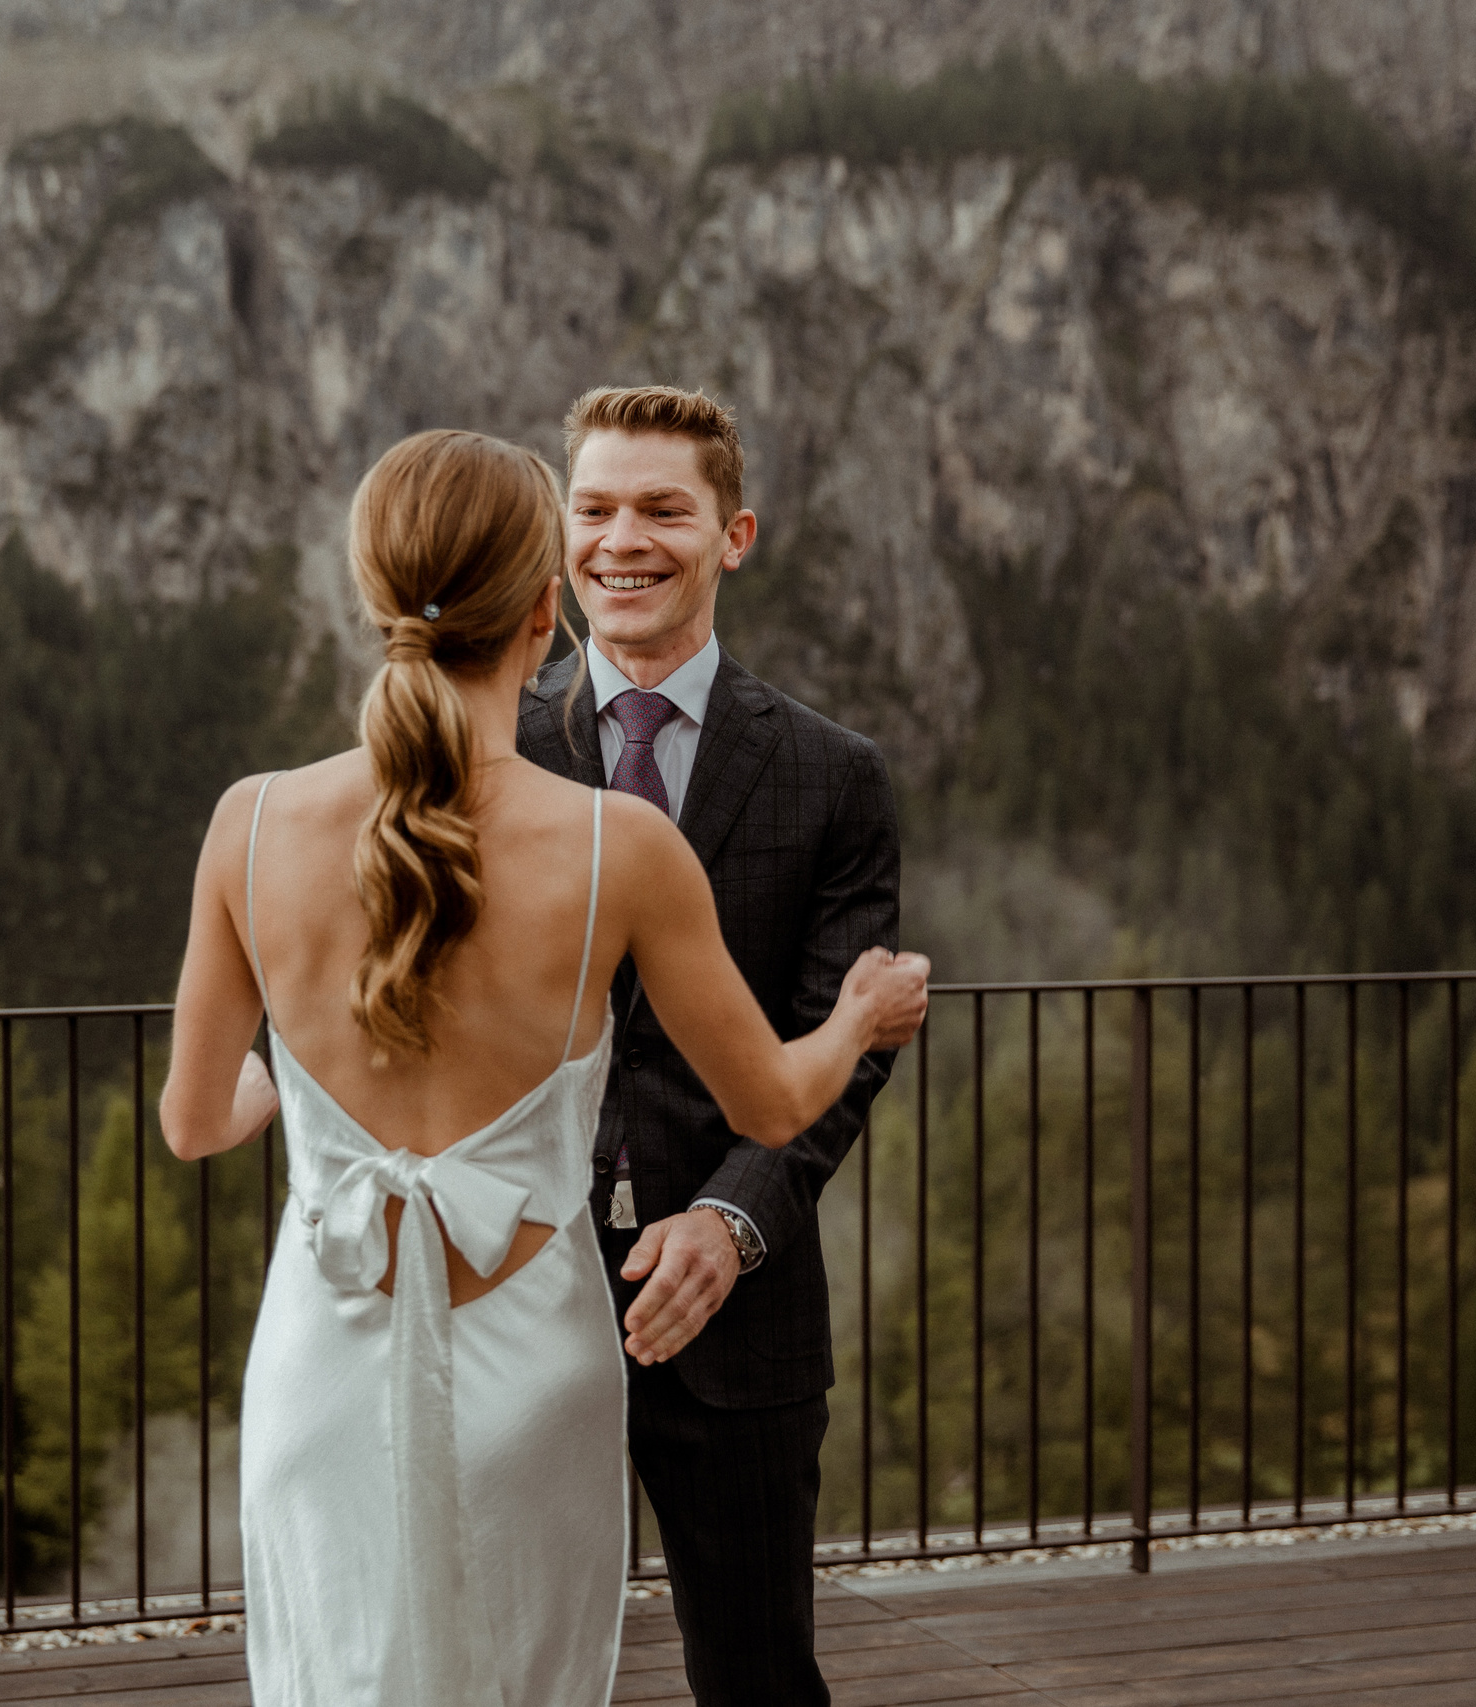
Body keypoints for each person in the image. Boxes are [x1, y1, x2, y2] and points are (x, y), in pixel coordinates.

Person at [160, 427, 928, 1707]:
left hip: (321, 1357)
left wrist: (295, 1090)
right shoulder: (611, 845)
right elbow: (777, 1098)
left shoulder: (247, 821)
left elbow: (195, 1120)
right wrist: (856, 1018)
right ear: (543, 602)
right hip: (530, 1349)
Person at [517, 385, 903, 1707]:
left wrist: (731, 1220)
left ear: (733, 532)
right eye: (596, 506)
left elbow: (837, 1043)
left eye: (662, 508)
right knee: (506, 1670)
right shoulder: (486, 744)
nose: (623, 538)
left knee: (755, 1675)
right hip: (509, 1288)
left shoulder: (835, 775)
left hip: (740, 1316)